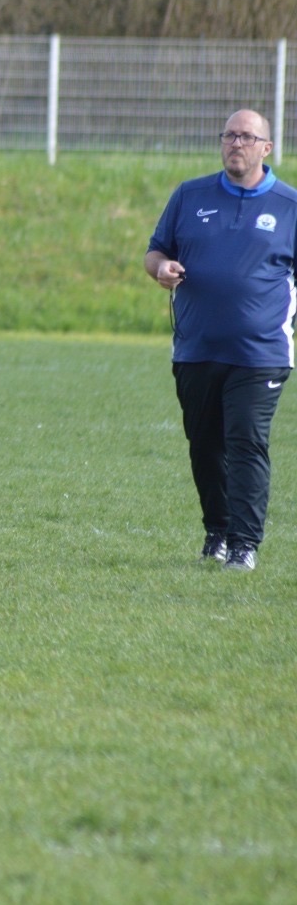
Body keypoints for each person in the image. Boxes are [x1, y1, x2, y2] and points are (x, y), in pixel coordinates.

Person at [145, 108, 296, 572]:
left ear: (266, 148)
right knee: (205, 444)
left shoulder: (290, 206)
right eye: (229, 135)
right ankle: (218, 532)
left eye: (247, 137)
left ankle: (245, 544)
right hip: (196, 348)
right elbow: (156, 251)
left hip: (261, 353)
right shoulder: (190, 195)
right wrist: (161, 268)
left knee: (246, 441)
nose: (236, 143)